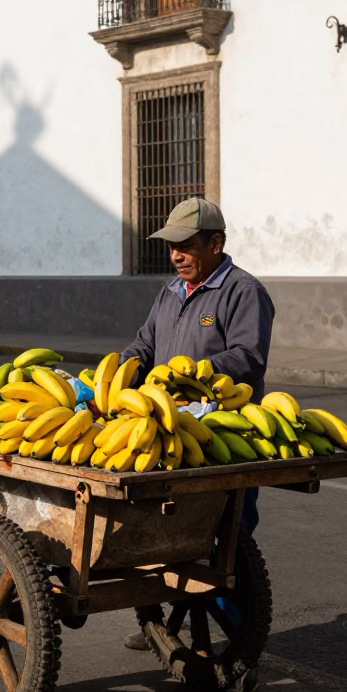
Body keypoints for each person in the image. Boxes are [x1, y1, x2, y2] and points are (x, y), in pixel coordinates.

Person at [120, 197, 275, 664]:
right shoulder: (169, 293)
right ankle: (167, 623)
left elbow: (249, 357)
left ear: (216, 243)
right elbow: (145, 343)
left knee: (225, 535)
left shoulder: (243, 292)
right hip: (169, 430)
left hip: (224, 435)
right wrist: (123, 368)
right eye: (172, 248)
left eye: (186, 247)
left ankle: (235, 630)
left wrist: (197, 370)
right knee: (169, 530)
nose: (176, 256)